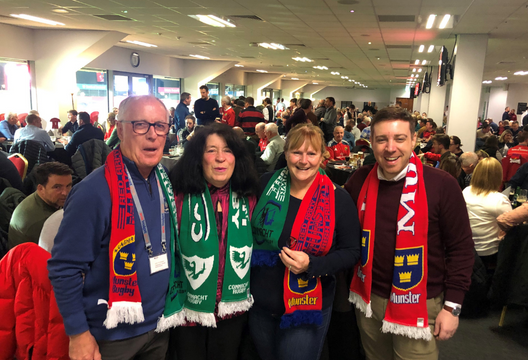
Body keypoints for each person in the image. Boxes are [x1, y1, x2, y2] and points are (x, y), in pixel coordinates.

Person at [48, 95, 177, 360]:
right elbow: (65, 268)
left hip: (160, 325)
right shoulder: (93, 192)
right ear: (119, 129)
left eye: (160, 126)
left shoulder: (164, 180)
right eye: (141, 125)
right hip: (111, 336)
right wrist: (78, 333)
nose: (152, 135)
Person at [344, 107, 474, 360]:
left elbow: (461, 249)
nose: (390, 147)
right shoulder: (359, 180)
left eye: (400, 138)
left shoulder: (441, 184)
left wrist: (453, 306)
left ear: (414, 140)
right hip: (368, 298)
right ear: (371, 142)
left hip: (421, 302)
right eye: (382, 139)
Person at [250, 123, 360, 360]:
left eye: (311, 153)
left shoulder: (337, 198)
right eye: (296, 152)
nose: (303, 160)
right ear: (286, 153)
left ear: (322, 157)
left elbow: (352, 251)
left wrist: (313, 265)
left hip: (307, 307)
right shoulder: (265, 184)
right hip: (260, 303)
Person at [167, 123, 259, 360]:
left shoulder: (251, 198)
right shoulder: (176, 197)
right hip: (187, 308)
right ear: (198, 158)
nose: (220, 158)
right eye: (211, 150)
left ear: (236, 158)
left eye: (227, 150)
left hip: (232, 307)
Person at [8, 162, 72, 249]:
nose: (65, 193)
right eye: (57, 187)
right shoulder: (43, 221)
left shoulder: (44, 199)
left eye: (68, 186)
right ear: (40, 188)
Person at [462, 158, 511, 269]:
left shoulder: (466, 191)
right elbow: (511, 224)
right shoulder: (499, 200)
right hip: (488, 252)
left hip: (467, 248)